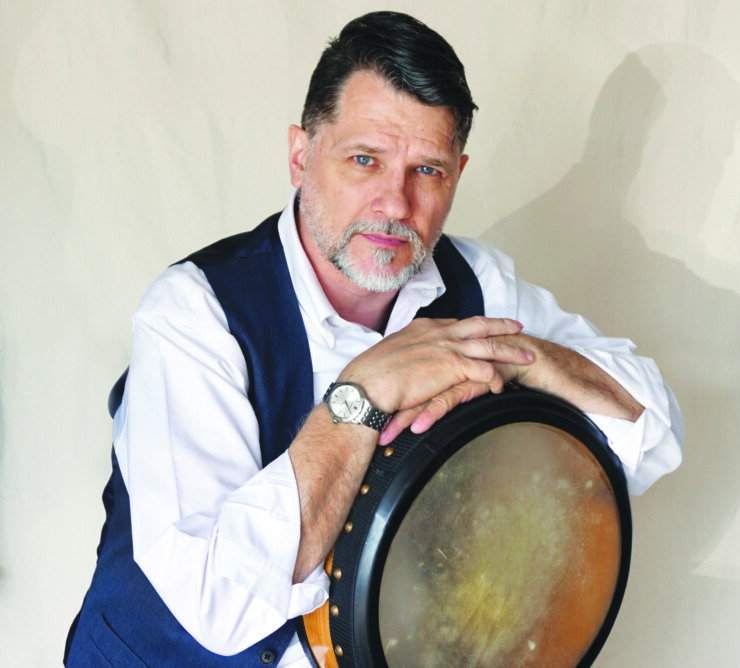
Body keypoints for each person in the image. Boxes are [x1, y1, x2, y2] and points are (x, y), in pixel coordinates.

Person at [65, 10, 683, 668]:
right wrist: (364, 393)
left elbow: (652, 436)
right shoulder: (195, 313)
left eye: (429, 171)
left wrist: (530, 361)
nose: (395, 203)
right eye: (366, 160)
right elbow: (220, 605)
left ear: (458, 175)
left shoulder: (476, 284)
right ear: (301, 155)